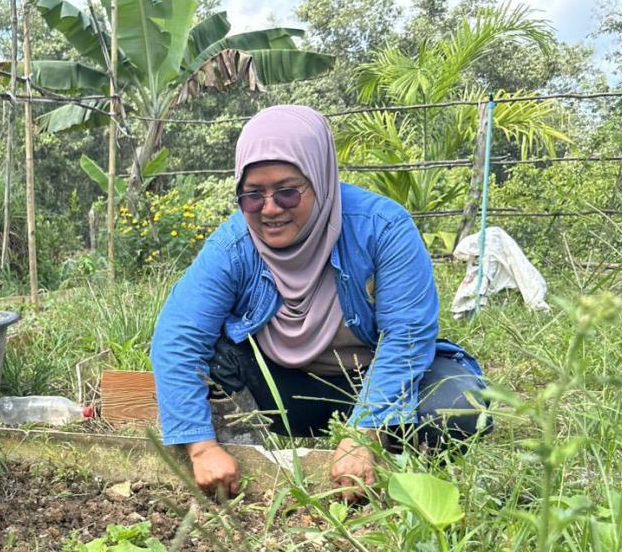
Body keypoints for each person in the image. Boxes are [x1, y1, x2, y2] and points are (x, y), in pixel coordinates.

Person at [150, 104, 489, 499]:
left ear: (321, 179)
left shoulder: (382, 228)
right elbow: (178, 336)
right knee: (214, 356)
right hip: (285, 390)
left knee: (459, 407)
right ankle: (249, 440)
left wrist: (364, 431)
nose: (270, 209)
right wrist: (202, 447)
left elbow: (407, 336)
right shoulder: (233, 245)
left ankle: (389, 448)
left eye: (288, 192)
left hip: (370, 379)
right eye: (253, 195)